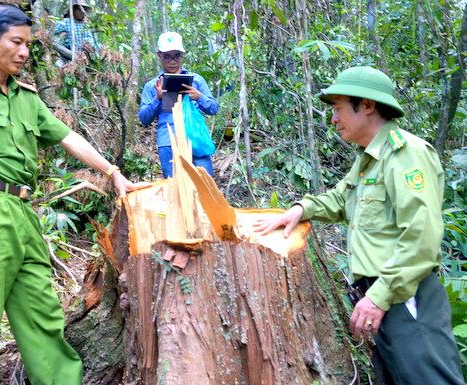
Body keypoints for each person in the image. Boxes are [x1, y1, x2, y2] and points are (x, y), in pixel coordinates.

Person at [0, 6, 147, 384]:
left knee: (41, 313)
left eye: (28, 44)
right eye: (16, 42)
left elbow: (68, 137)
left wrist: (113, 173)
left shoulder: (27, 97)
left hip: (23, 212)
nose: (25, 52)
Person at [254, 66, 464, 384]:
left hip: (405, 298)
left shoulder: (405, 154)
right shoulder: (369, 159)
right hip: (386, 297)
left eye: (338, 109)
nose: (334, 119)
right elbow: (341, 200)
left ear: (367, 105)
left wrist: (379, 296)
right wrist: (302, 208)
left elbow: (422, 237)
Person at [138, 32, 219, 178]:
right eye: (167, 56)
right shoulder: (152, 85)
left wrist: (199, 96)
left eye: (176, 56)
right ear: (159, 55)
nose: (172, 61)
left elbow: (213, 108)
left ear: (182, 55)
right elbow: (144, 118)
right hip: (168, 141)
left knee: (206, 187)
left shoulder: (196, 80)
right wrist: (158, 98)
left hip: (195, 138)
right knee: (175, 190)